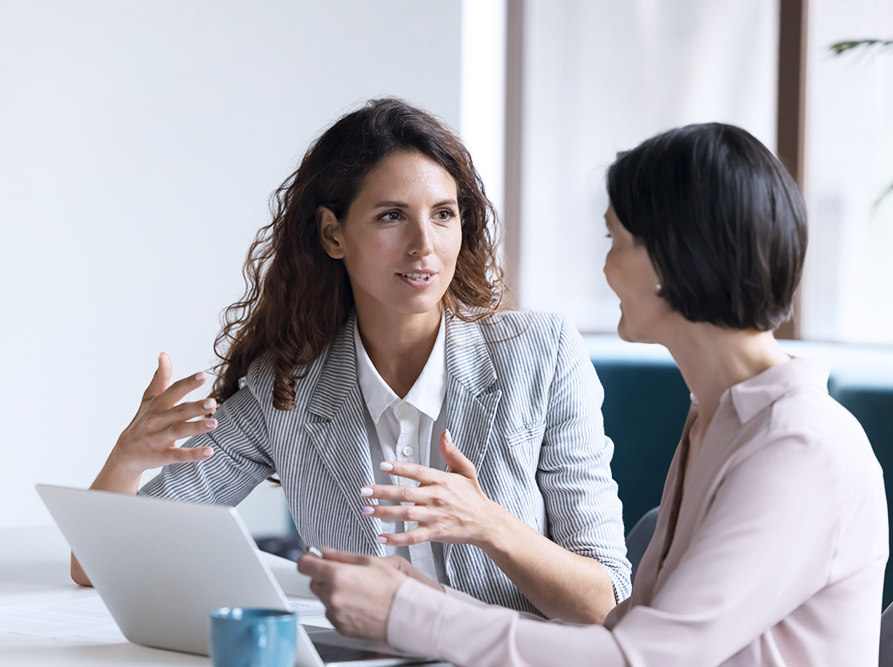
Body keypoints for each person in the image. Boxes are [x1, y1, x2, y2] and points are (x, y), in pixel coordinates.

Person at [297, 122, 889, 665]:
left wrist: (412, 612)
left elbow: (641, 659)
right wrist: (419, 599)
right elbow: (619, 633)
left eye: (615, 240)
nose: (605, 269)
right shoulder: (719, 420)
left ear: (671, 257)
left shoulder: (799, 447)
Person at [71, 98, 632, 623]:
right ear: (332, 233)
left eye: (443, 214)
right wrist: (128, 457)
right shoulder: (286, 388)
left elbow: (606, 601)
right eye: (392, 216)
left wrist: (492, 527)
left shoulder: (540, 353)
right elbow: (96, 565)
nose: (424, 244)